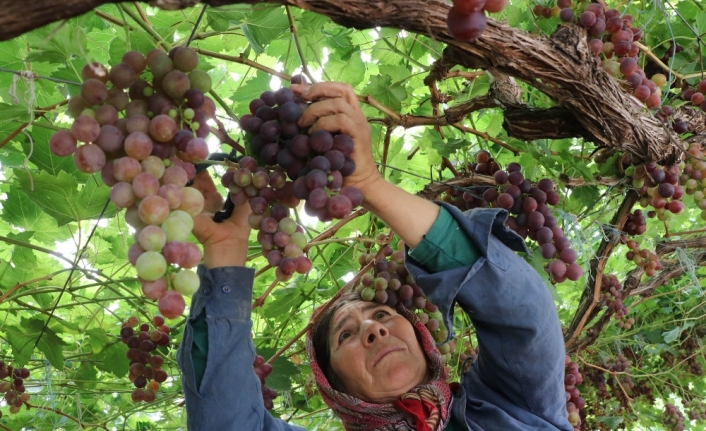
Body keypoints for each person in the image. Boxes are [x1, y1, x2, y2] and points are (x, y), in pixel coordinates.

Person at [176, 82, 573, 431]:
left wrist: (369, 185)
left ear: (423, 340)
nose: (375, 330)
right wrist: (224, 253)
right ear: (334, 386)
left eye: (382, 315)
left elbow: (522, 314)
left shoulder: (514, 407)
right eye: (346, 335)